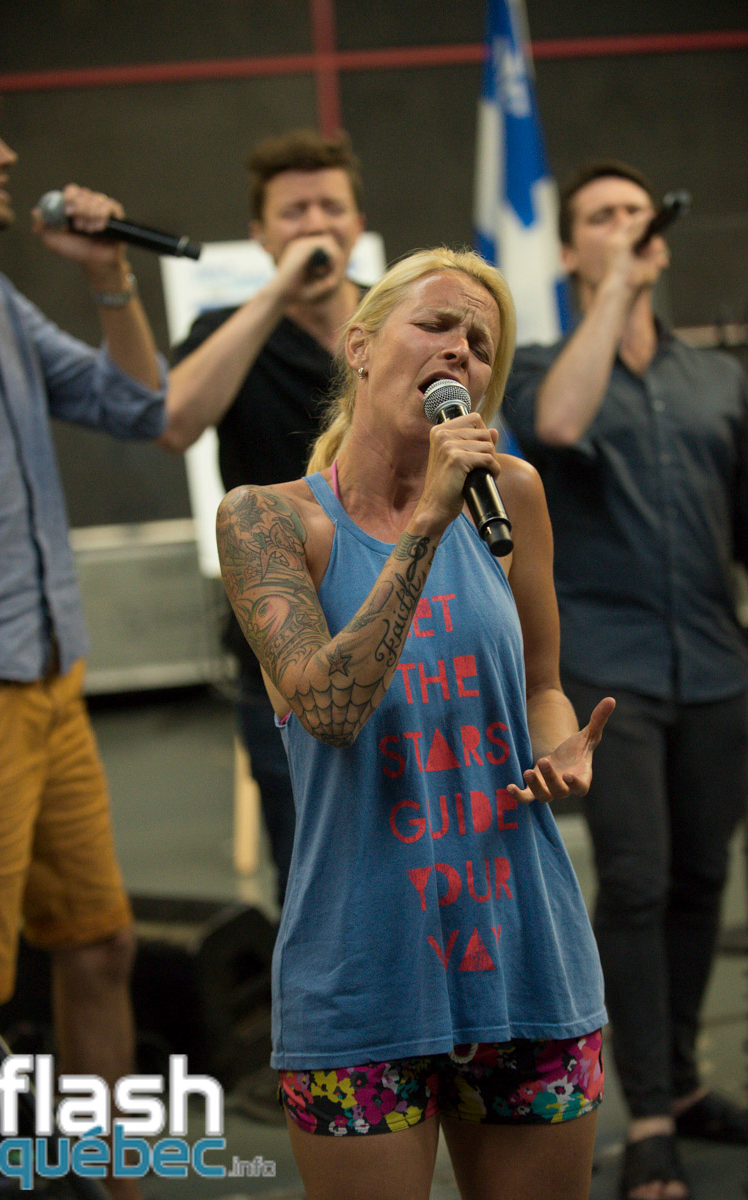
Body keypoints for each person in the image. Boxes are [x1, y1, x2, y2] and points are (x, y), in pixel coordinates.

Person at [215, 246, 615, 1200]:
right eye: (435, 324)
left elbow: (542, 686)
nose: (458, 351)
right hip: (360, 974)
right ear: (359, 345)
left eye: (479, 342)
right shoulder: (266, 522)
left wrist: (556, 746)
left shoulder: (511, 495)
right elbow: (327, 709)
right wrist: (428, 519)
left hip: (524, 953)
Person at [502, 160, 748, 1200]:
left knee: (705, 880)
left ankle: (688, 1080)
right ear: (569, 249)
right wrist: (614, 288)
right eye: (601, 217)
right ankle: (650, 1115)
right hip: (605, 676)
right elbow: (560, 426)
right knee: (634, 881)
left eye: (635, 211)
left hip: (713, 666)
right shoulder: (539, 367)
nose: (626, 224)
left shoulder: (715, 381)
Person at [0, 79, 166, 1200]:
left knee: (99, 945)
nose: (8, 155)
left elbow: (140, 406)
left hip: (49, 675)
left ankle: (112, 1187)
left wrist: (109, 276)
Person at [162, 128, 367, 909]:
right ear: (260, 233)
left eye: (331, 207)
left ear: (357, 221)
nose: (316, 225)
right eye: (294, 212)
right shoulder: (229, 328)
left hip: (408, 630)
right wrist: (277, 293)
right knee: (314, 887)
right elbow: (175, 421)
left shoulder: (397, 319)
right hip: (281, 653)